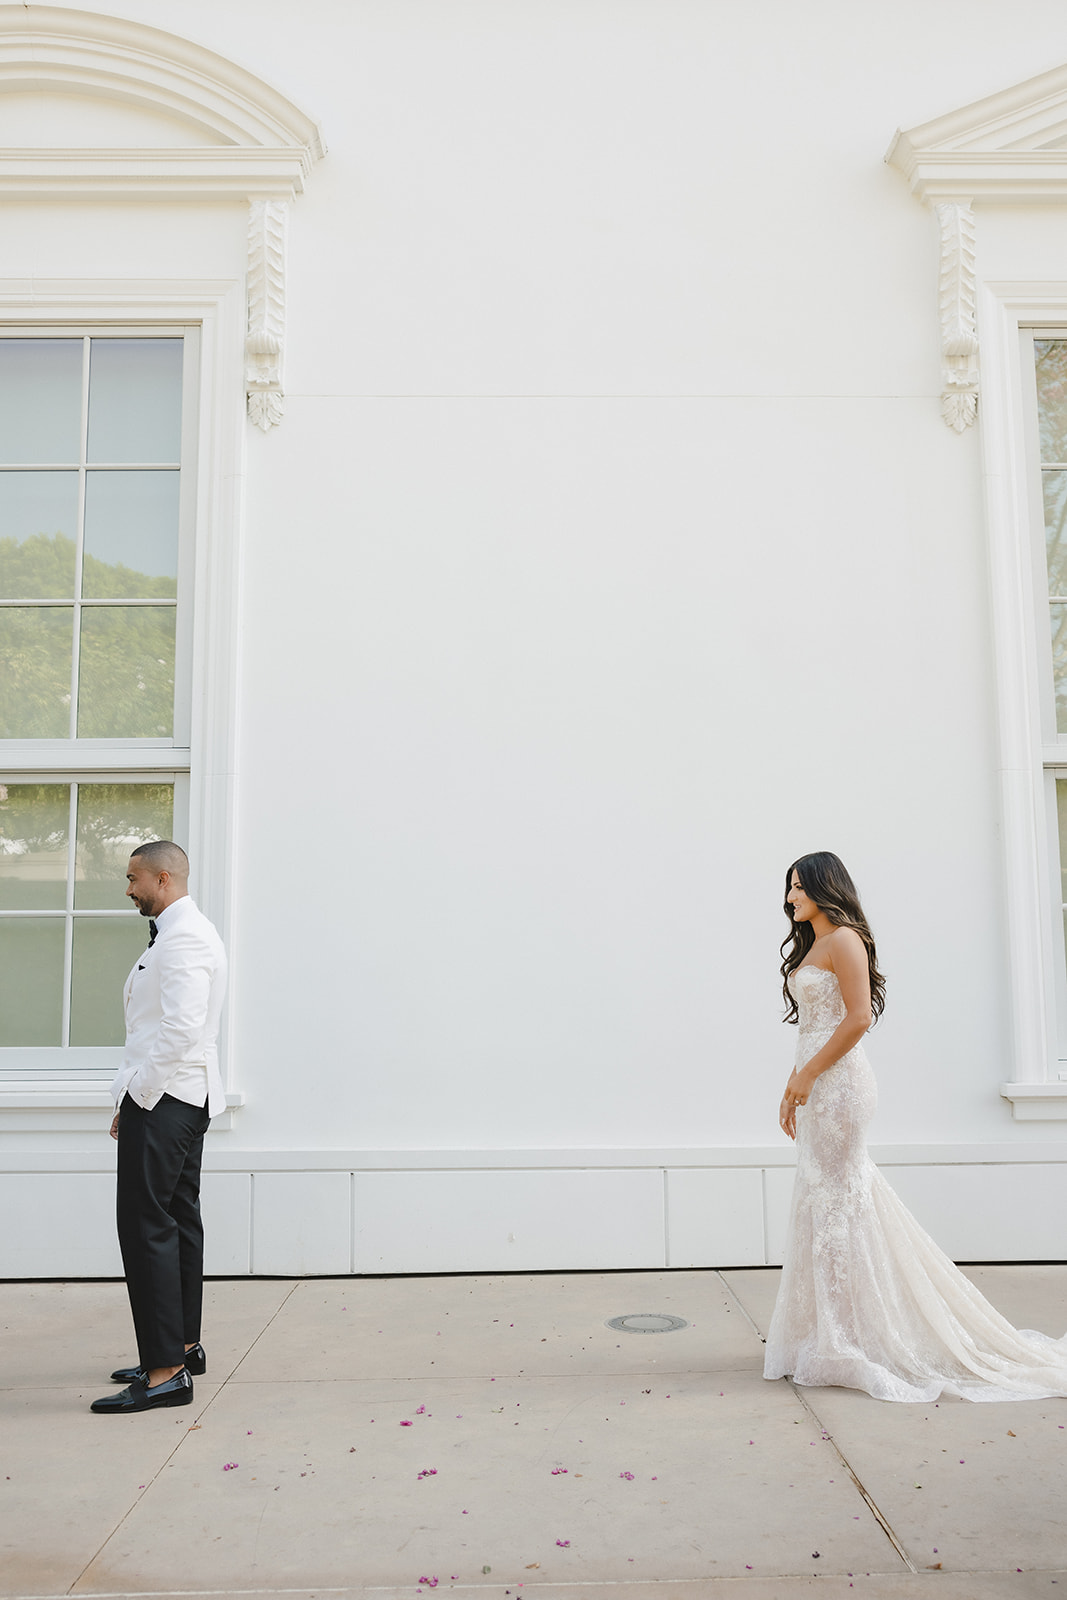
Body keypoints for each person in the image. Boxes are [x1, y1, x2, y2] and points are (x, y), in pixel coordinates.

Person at [764, 849, 1067, 1403]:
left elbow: (858, 1017)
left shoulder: (847, 940)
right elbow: (812, 1026)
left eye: (799, 887)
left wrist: (807, 1076)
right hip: (816, 1083)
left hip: (842, 1089)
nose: (790, 898)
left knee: (838, 1200)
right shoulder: (814, 945)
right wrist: (791, 1088)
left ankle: (847, 1338)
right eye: (789, 889)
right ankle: (829, 1332)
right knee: (821, 1200)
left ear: (824, 887)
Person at [90, 841, 228, 1415]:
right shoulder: (177, 936)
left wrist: (139, 1098)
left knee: (146, 1226)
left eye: (132, 879)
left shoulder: (187, 939)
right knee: (176, 1221)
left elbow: (180, 1030)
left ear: (162, 878)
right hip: (176, 1096)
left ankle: (165, 1371)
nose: (128, 889)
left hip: (167, 1098)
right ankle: (181, 1347)